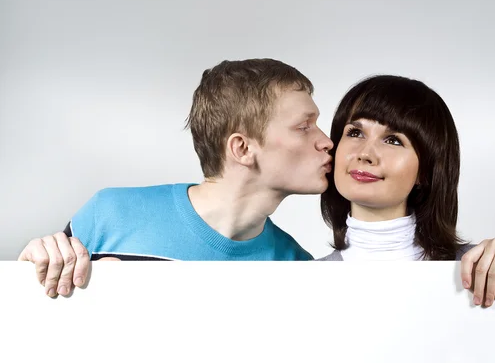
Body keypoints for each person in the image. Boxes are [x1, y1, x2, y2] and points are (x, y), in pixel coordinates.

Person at [18, 58, 334, 297]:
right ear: (242, 148)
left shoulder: (296, 268)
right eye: (304, 126)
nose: (326, 142)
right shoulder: (109, 214)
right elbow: (34, 326)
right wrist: (27, 272)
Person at [318, 75, 495, 307]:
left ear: (426, 171)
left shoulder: (476, 269)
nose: (365, 154)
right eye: (355, 133)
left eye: (393, 140)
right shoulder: (305, 278)